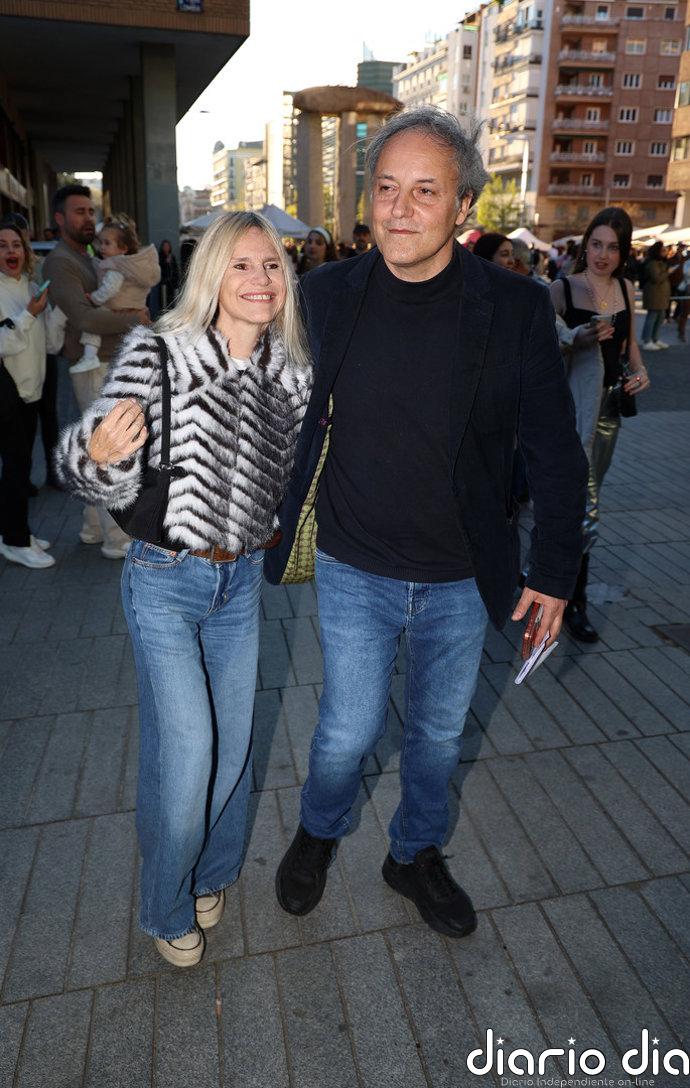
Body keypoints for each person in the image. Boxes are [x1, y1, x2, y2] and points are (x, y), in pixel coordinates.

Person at [265, 105, 588, 939]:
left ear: (462, 208)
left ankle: (412, 854)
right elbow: (254, 392)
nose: (399, 209)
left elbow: (556, 450)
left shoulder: (512, 307)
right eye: (385, 188)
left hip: (460, 573)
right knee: (346, 729)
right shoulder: (326, 295)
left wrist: (553, 573)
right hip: (352, 559)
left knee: (440, 738)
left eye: (424, 191)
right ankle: (320, 829)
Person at [55, 211, 312, 967]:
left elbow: (290, 478)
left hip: (239, 584)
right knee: (191, 748)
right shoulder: (160, 353)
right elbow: (87, 468)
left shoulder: (291, 369)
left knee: (230, 752)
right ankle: (165, 904)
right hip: (165, 579)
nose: (260, 280)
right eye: (242, 266)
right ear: (212, 277)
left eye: (271, 266)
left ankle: (211, 871)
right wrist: (99, 456)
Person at [550, 207, 650, 643]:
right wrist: (577, 339)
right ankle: (574, 601)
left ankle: (548, 577)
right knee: (586, 508)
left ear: (623, 252)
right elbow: (542, 343)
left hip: (609, 412)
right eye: (596, 244)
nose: (603, 255)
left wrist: (640, 372)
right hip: (572, 413)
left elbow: (631, 350)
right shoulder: (562, 289)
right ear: (584, 243)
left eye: (612, 247)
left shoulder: (626, 288)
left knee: (585, 500)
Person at [43, 185, 147, 560]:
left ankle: (91, 527)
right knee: (112, 448)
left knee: (95, 445)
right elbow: (83, 315)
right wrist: (135, 318)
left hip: (102, 361)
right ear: (59, 219)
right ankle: (117, 540)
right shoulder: (61, 261)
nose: (87, 217)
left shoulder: (85, 255)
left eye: (90, 211)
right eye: (78, 212)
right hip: (92, 365)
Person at [0, 221, 57, 568]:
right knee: (16, 469)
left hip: (30, 392)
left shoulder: (29, 285)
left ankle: (15, 531)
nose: (11, 251)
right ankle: (15, 541)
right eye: (3, 245)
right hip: (9, 395)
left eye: (16, 244)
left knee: (20, 466)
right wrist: (29, 314)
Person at [58, 214, 160, 375]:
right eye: (101, 243)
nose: (102, 248)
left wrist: (94, 298)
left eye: (107, 243)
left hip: (117, 309)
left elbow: (110, 289)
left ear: (123, 248)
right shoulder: (127, 265)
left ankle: (89, 357)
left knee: (92, 326)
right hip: (131, 311)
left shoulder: (115, 266)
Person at [640, 241, 671, 350]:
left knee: (660, 317)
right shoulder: (652, 263)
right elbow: (656, 278)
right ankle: (647, 341)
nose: (665, 252)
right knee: (652, 317)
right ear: (657, 251)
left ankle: (655, 339)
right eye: (663, 250)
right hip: (653, 294)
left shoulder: (660, 262)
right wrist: (668, 272)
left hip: (660, 295)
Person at [158, 238, 180, 311]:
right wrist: (165, 262)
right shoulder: (160, 256)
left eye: (167, 246)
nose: (166, 248)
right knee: (164, 299)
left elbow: (175, 268)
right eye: (164, 246)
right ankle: (164, 311)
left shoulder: (172, 256)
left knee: (172, 298)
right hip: (164, 282)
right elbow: (159, 268)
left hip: (172, 281)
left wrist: (177, 277)